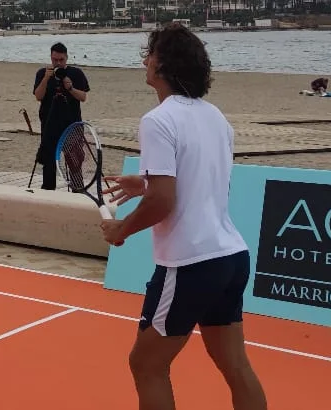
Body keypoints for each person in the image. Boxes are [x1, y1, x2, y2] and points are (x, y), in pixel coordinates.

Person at [100, 24, 267, 410]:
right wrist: (143, 182)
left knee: (146, 364)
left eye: (150, 54)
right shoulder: (216, 118)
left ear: (163, 65)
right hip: (230, 257)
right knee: (236, 365)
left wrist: (121, 229)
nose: (145, 61)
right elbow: (198, 183)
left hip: (189, 264)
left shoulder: (157, 120)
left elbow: (164, 201)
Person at [32, 42, 90, 190]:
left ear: (67, 58)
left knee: (75, 160)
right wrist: (46, 78)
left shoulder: (76, 73)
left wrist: (69, 87)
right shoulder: (42, 73)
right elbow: (38, 96)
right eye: (54, 60)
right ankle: (48, 191)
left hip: (71, 124)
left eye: (61, 60)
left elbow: (83, 97)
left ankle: (78, 190)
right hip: (49, 123)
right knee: (48, 161)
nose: (57, 63)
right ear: (50, 58)